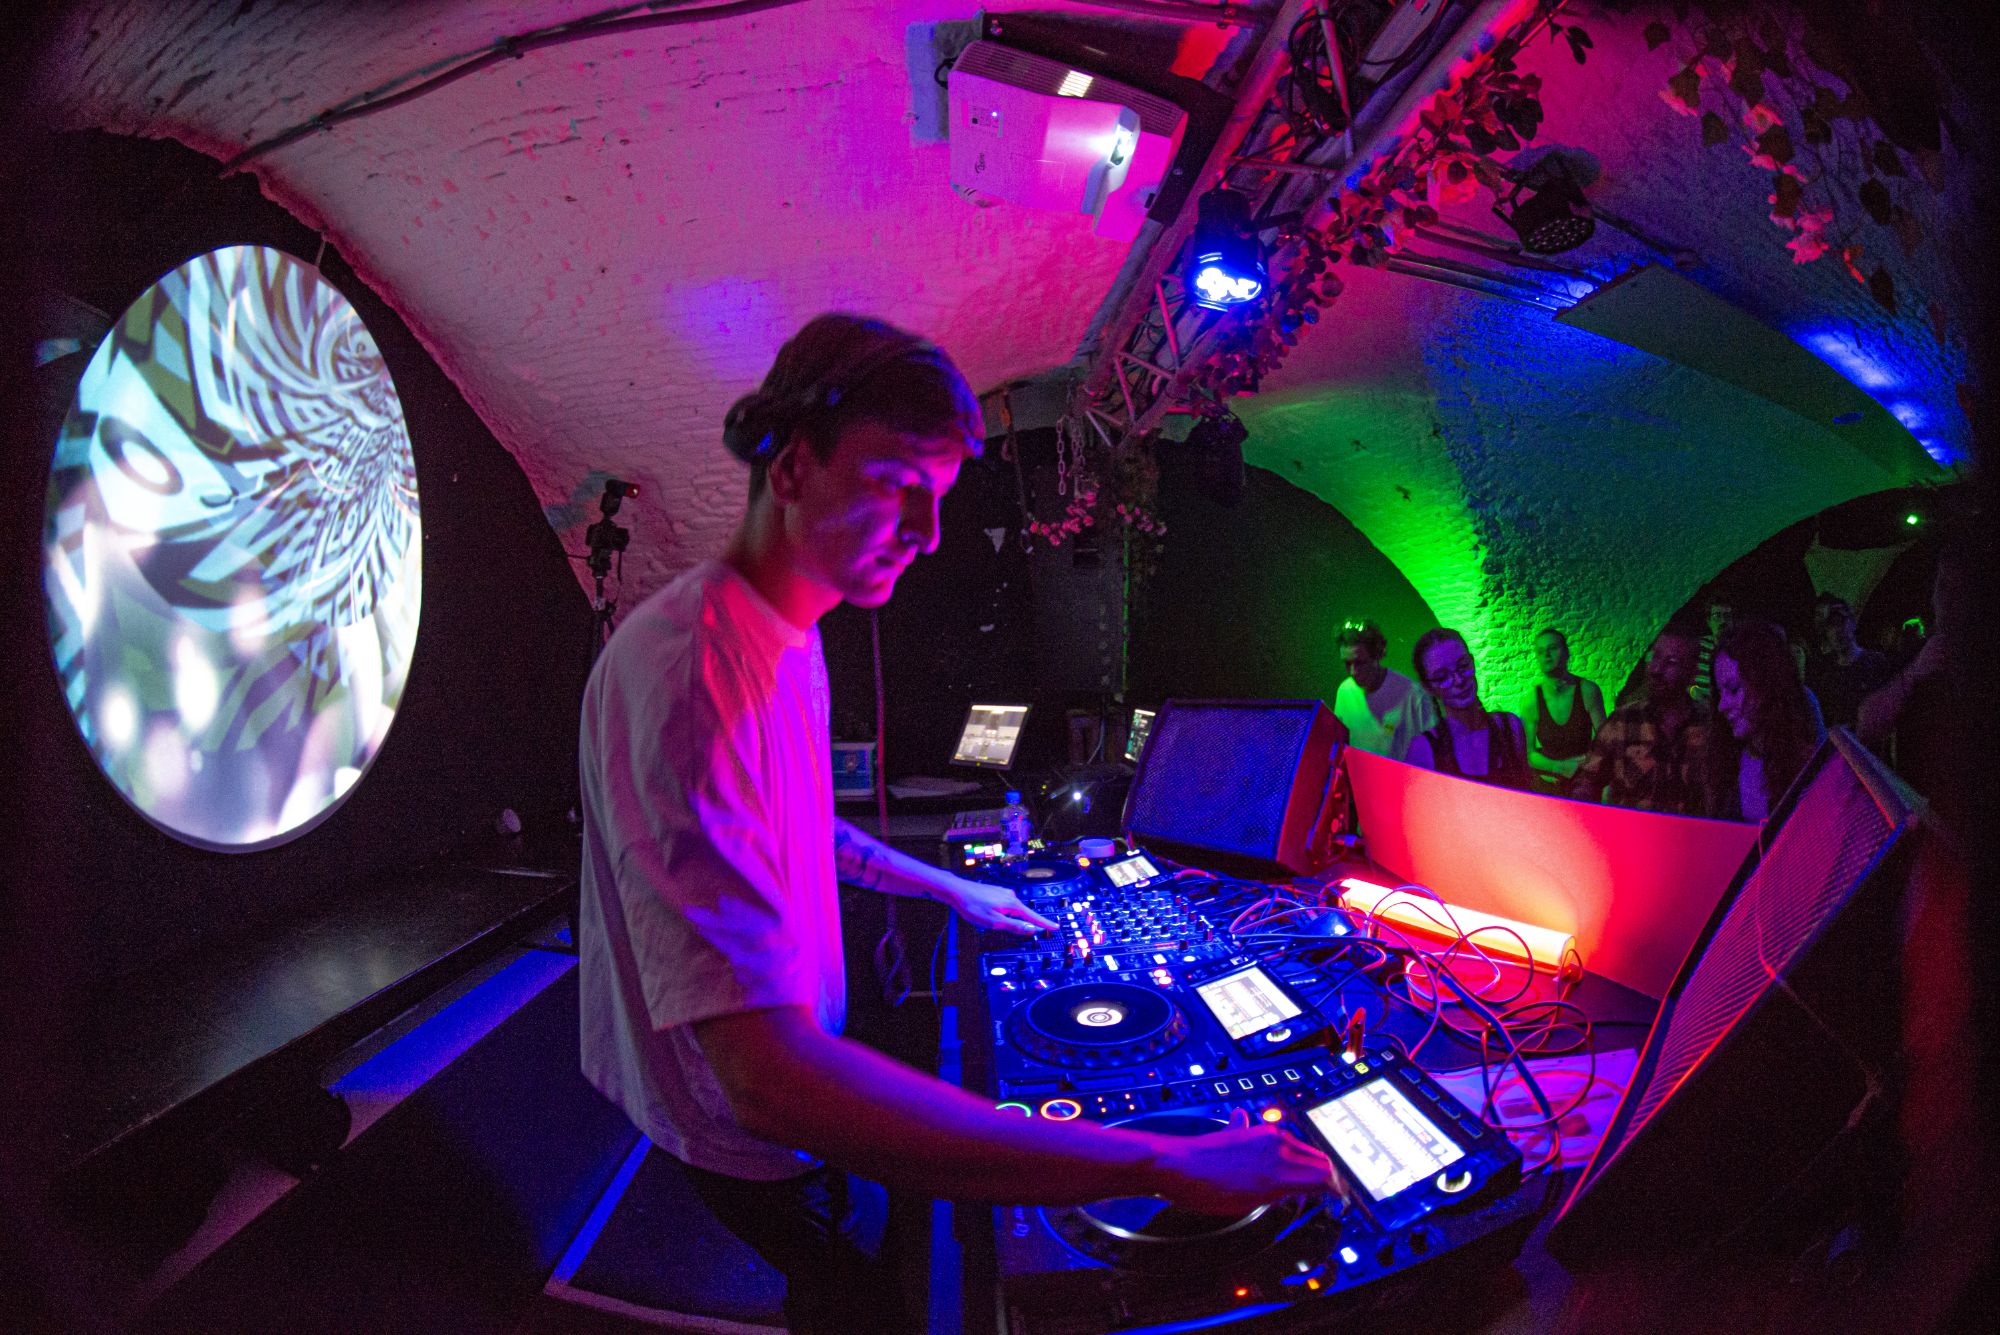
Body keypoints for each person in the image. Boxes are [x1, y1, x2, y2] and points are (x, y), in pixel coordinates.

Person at [576, 314, 1332, 1333]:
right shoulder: (693, 671)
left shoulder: (784, 637)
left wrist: (951, 886)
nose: (929, 532)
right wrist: (1158, 1157)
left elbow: (800, 828)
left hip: (772, 1118)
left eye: (937, 495)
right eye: (899, 485)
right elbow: (769, 1085)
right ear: (791, 467)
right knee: (857, 1305)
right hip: (748, 1137)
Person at [1567, 627, 1717, 815]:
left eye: (1671, 662)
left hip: (1689, 833)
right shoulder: (1624, 720)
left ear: (1692, 673)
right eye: (1654, 657)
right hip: (1629, 831)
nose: (1656, 669)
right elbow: (1587, 780)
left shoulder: (1709, 727)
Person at [1708, 617, 1826, 821]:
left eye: (1733, 689)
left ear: (1766, 684)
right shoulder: (1726, 764)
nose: (1722, 705)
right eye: (1720, 693)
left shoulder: (1808, 767)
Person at [1404, 629, 1535, 789]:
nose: (1459, 680)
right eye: (1442, 677)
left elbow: (1526, 792)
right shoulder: (1423, 749)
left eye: (1463, 666)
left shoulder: (1509, 726)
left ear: (1472, 662)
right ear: (1428, 687)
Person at [1332, 619, 1438, 760]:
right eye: (1347, 663)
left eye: (1360, 663)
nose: (1353, 672)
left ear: (1378, 655)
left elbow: (1436, 751)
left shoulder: (1415, 695)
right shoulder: (1344, 691)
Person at [1517, 628, 1606, 792]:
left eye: (1552, 648)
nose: (1546, 655)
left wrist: (1587, 763)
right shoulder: (1531, 701)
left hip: (1584, 776)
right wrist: (1559, 767)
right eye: (1541, 651)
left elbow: (1605, 741)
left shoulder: (1588, 691)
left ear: (1566, 652)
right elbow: (1528, 753)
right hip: (1550, 779)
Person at [1807, 594, 1895, 731]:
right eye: (1830, 625)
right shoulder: (1825, 672)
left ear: (1853, 623)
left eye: (1840, 622)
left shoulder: (1876, 662)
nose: (1836, 631)